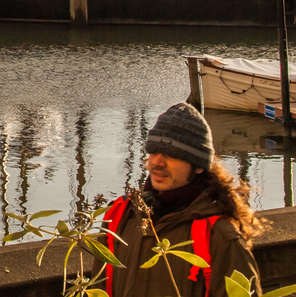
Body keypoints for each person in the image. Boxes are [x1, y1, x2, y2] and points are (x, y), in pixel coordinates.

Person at [102, 103, 263, 297]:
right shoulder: (120, 216)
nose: (157, 163)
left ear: (198, 166)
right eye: (153, 152)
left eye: (171, 155)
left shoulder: (220, 237)